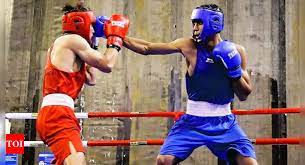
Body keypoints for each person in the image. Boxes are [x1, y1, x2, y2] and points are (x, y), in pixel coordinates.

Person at [122, 4, 258, 165]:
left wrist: (234, 73)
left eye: (198, 23)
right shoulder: (189, 46)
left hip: (225, 124)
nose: (194, 28)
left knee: (249, 163)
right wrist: (117, 37)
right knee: (163, 161)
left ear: (214, 23)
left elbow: (244, 95)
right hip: (192, 122)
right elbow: (147, 47)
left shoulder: (236, 51)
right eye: (193, 23)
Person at [36, 2, 129, 165]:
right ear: (81, 23)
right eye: (92, 25)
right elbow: (107, 64)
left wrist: (95, 42)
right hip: (57, 116)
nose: (95, 29)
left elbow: (91, 79)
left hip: (59, 114)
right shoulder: (72, 40)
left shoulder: (71, 46)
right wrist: (115, 38)